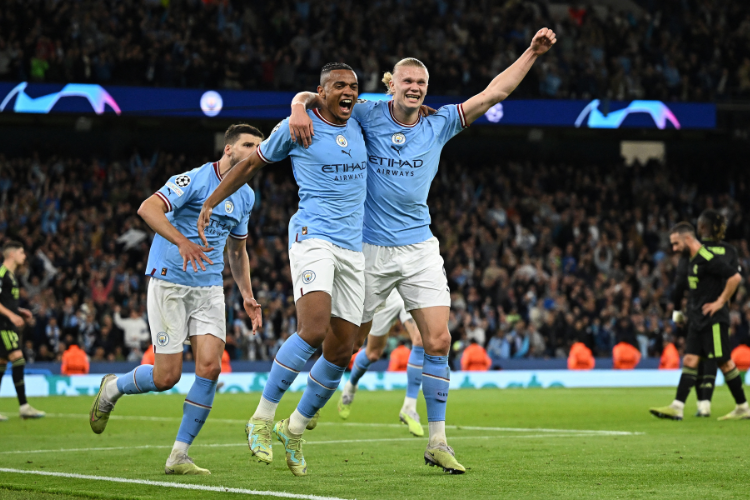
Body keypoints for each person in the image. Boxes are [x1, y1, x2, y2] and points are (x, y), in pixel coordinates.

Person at [290, 28, 557, 474]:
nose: (414, 88)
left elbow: (494, 92)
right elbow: (319, 94)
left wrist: (531, 52)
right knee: (344, 347)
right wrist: (300, 106)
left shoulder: (440, 122)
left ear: (426, 89)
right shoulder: (367, 114)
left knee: (439, 340)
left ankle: (437, 441)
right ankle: (299, 419)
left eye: (421, 83)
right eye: (406, 81)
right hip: (369, 249)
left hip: (419, 248)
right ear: (390, 83)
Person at [196, 63, 368, 477]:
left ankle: (293, 427)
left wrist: (299, 101)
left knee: (344, 348)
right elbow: (251, 165)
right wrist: (211, 201)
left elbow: (397, 104)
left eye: (353, 87)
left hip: (353, 246)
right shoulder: (296, 129)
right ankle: (261, 416)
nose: (348, 92)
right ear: (321, 91)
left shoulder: (361, 118)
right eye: (338, 86)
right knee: (312, 329)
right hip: (313, 236)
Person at [88, 124, 264, 475]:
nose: (255, 151)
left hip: (210, 288)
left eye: (259, 146)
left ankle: (179, 455)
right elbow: (147, 209)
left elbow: (238, 250)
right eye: (247, 144)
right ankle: (112, 387)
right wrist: (181, 241)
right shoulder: (194, 179)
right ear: (228, 149)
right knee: (166, 377)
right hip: (170, 283)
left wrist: (247, 294)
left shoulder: (246, 195)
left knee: (210, 368)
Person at [650, 222, 749, 421]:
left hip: (713, 320)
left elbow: (735, 277)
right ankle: (677, 406)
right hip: (697, 320)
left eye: (676, 244)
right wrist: (681, 315)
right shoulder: (691, 261)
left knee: (725, 363)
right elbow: (680, 290)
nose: (674, 249)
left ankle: (743, 407)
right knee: (689, 360)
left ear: (688, 239)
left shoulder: (707, 258)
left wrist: (720, 302)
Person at [670, 209, 740, 417]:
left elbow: (679, 287)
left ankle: (715, 404)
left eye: (675, 244)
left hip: (705, 314)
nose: (674, 248)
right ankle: (683, 406)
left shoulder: (695, 255)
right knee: (698, 358)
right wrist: (725, 302)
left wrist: (677, 312)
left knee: (719, 359)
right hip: (712, 313)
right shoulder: (730, 251)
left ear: (700, 228)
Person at [338, 289, 426, 437]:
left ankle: (409, 407)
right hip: (386, 290)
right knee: (373, 353)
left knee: (420, 339)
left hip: (408, 286)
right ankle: (351, 385)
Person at [0, 241, 45, 421]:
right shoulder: (2, 274)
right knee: (18, 359)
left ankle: (24, 407)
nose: (24, 256)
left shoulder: (10, 276)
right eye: (21, 252)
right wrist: (11, 316)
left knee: (2, 365)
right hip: (4, 325)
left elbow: (5, 301)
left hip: (6, 323)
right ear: (11, 255)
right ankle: (24, 406)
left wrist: (19, 311)